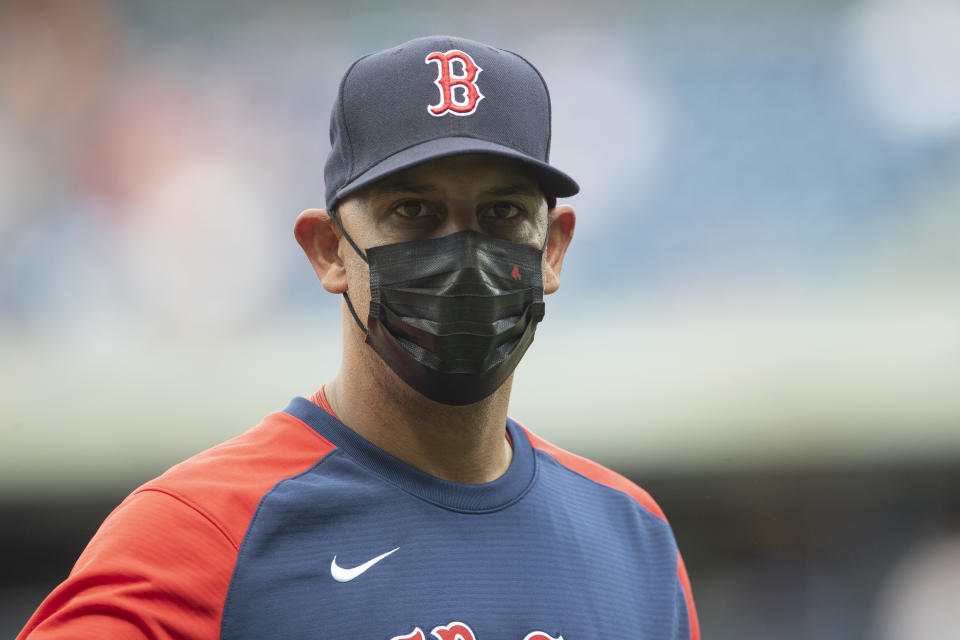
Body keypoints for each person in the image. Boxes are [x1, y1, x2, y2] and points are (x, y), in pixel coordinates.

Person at [18, 35, 699, 640]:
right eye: (412, 210)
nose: (462, 252)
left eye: (502, 211)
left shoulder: (632, 538)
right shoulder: (202, 534)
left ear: (552, 249)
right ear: (328, 251)